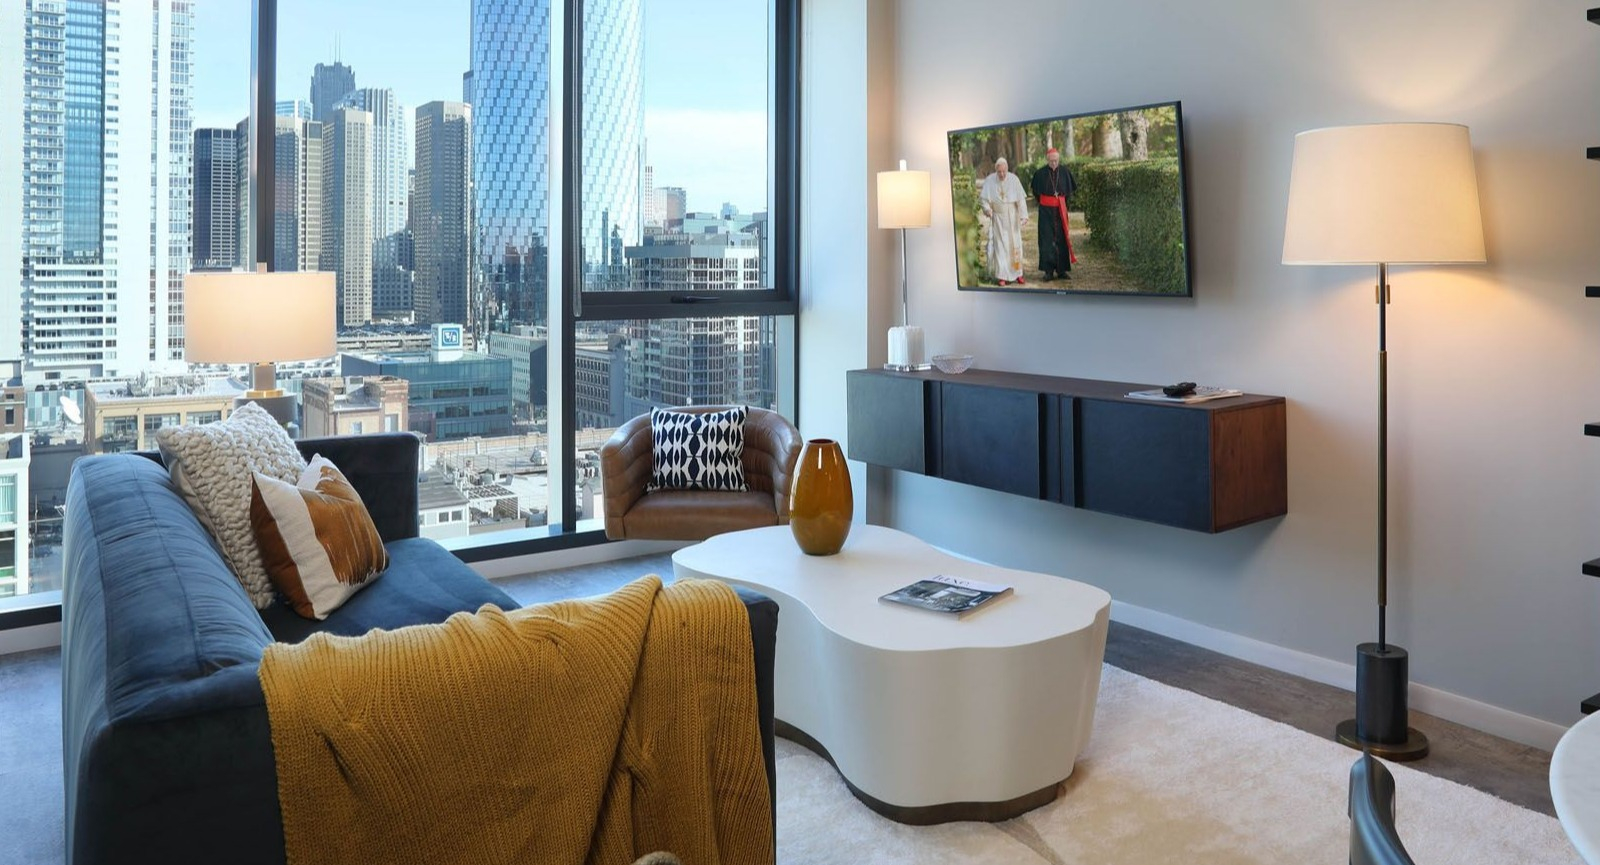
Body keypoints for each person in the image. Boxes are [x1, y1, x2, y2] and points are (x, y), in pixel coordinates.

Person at [979, 157, 1028, 286]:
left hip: (1012, 217)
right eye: (999, 172)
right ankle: (1002, 276)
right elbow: (983, 199)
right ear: (996, 170)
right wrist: (987, 209)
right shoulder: (990, 180)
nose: (1001, 174)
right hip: (998, 218)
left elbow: (1021, 200)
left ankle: (1018, 273)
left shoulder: (1014, 179)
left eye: (1004, 171)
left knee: (1015, 246)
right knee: (1001, 247)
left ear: (1007, 169)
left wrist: (1024, 216)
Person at [1030, 147, 1077, 281]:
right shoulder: (1040, 173)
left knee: (1062, 239)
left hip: (1060, 210)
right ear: (1047, 160)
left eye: (1056, 161)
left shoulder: (1065, 172)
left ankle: (1061, 270)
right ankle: (1048, 271)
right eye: (1051, 161)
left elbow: (1068, 194)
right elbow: (1036, 194)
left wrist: (1060, 203)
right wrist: (1047, 203)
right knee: (1046, 240)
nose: (1054, 163)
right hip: (1046, 212)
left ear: (1059, 159)